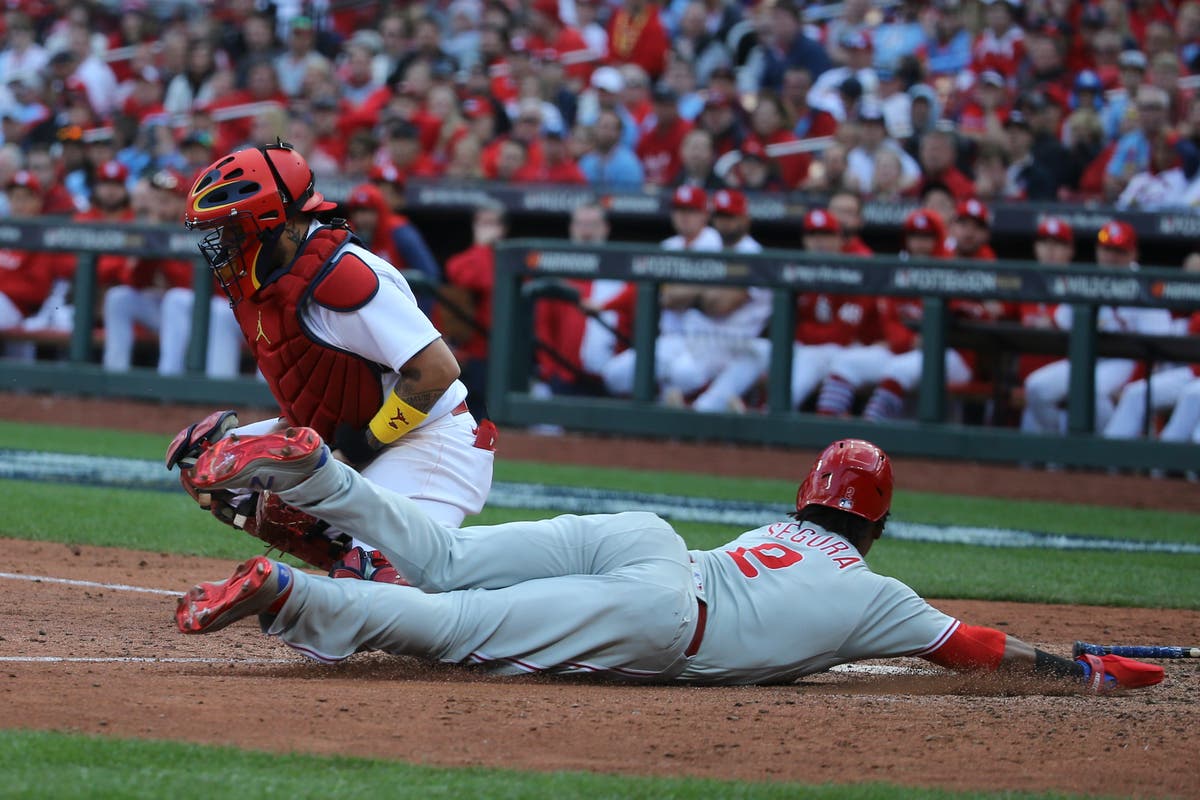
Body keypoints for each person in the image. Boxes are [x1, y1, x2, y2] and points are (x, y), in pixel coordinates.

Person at [176, 431, 1164, 693]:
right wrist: (1076, 667)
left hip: (654, 539)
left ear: (804, 501)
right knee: (459, 631)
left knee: (443, 554)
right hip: (664, 618)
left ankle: (322, 474)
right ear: (880, 523)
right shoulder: (878, 593)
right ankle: (293, 595)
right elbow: (976, 644)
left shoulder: (768, 535)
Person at [174, 141, 497, 576]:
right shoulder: (273, 279)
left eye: (235, 228)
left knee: (378, 586)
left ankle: (391, 567)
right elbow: (327, 385)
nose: (226, 242)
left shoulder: (345, 275)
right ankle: (343, 553)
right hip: (353, 439)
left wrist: (359, 447)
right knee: (206, 461)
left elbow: (437, 370)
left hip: (430, 442)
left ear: (277, 222)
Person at [1021, 221, 1174, 437]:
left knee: (1091, 390)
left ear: (1133, 254)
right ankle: (1060, 447)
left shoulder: (1145, 284)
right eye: (1106, 249)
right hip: (1089, 357)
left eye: (1118, 251)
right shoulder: (1088, 277)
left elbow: (1158, 347)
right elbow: (1061, 321)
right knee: (1037, 387)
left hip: (1125, 361)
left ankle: (1109, 453)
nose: (1110, 257)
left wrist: (1133, 384)